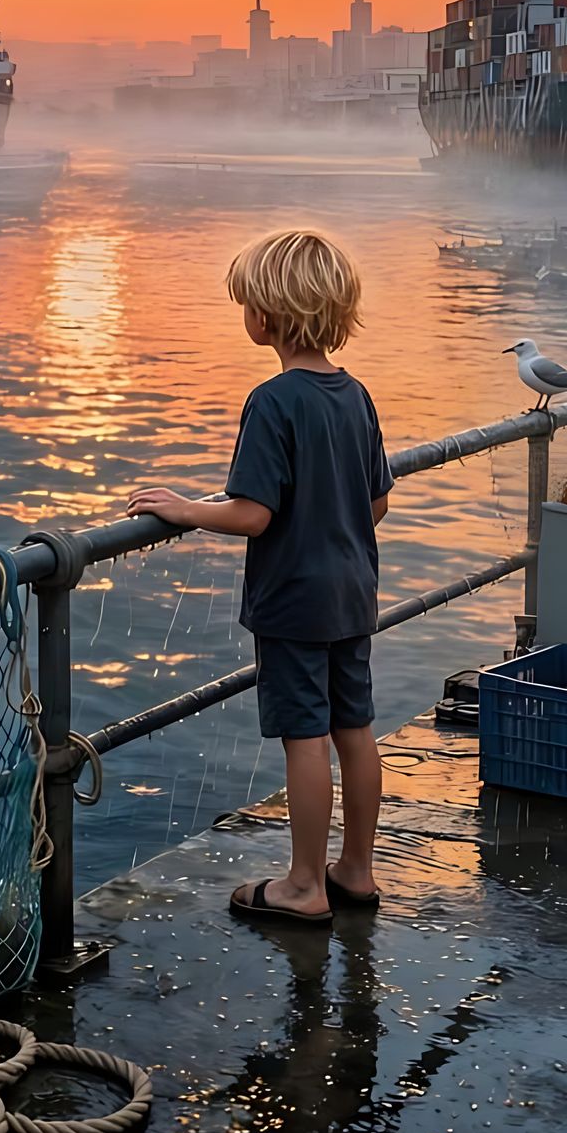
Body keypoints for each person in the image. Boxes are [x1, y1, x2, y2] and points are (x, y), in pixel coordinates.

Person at [128, 229, 393, 926]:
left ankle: (304, 884)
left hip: (294, 601)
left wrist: (186, 508)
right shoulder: (355, 394)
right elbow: (378, 502)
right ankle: (356, 871)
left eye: (244, 301)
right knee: (354, 728)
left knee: (304, 737)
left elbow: (252, 514)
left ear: (267, 316)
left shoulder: (274, 402)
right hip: (352, 591)